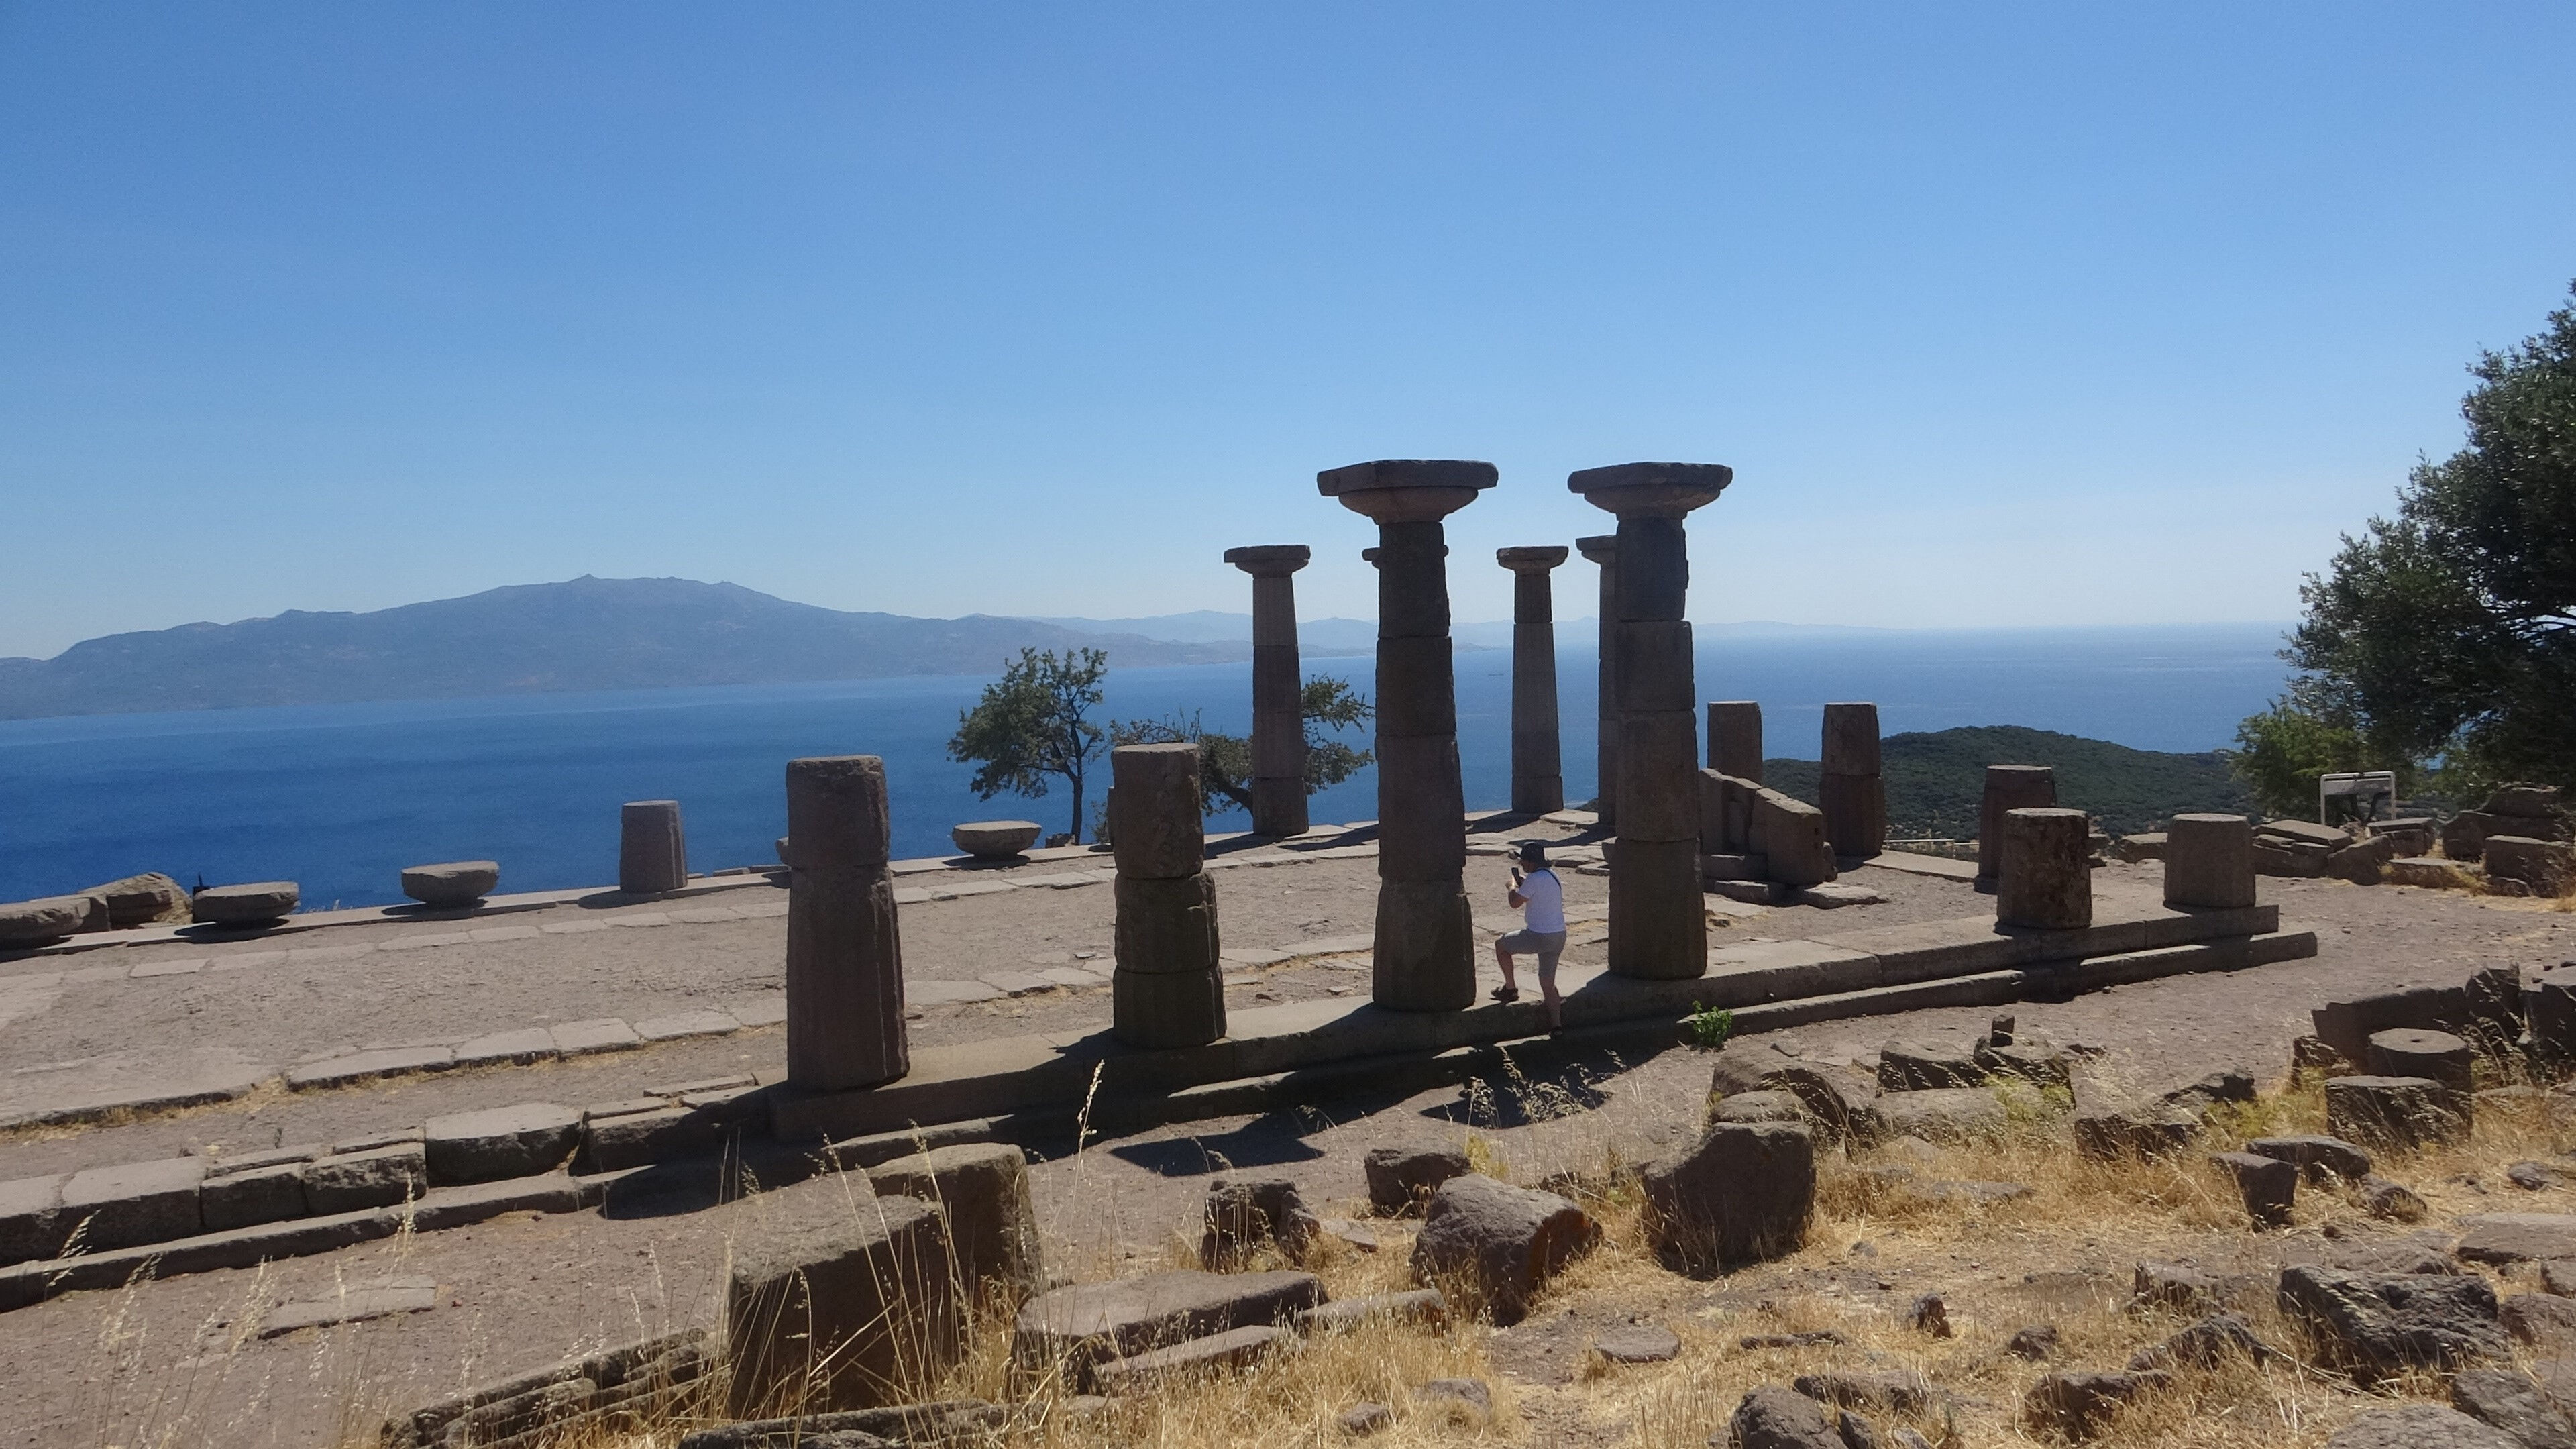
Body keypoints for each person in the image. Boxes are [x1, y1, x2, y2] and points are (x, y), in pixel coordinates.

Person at [1492, 840, 1567, 1030]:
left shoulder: (1533, 880)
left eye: (1524, 861)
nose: (1522, 864)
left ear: (1531, 863)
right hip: (1558, 935)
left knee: (1501, 945)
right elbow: (1540, 894)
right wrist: (1525, 885)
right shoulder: (1553, 876)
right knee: (1547, 983)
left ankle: (1510, 988)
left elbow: (1515, 903)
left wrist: (1511, 887)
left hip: (1538, 936)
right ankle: (1557, 1026)